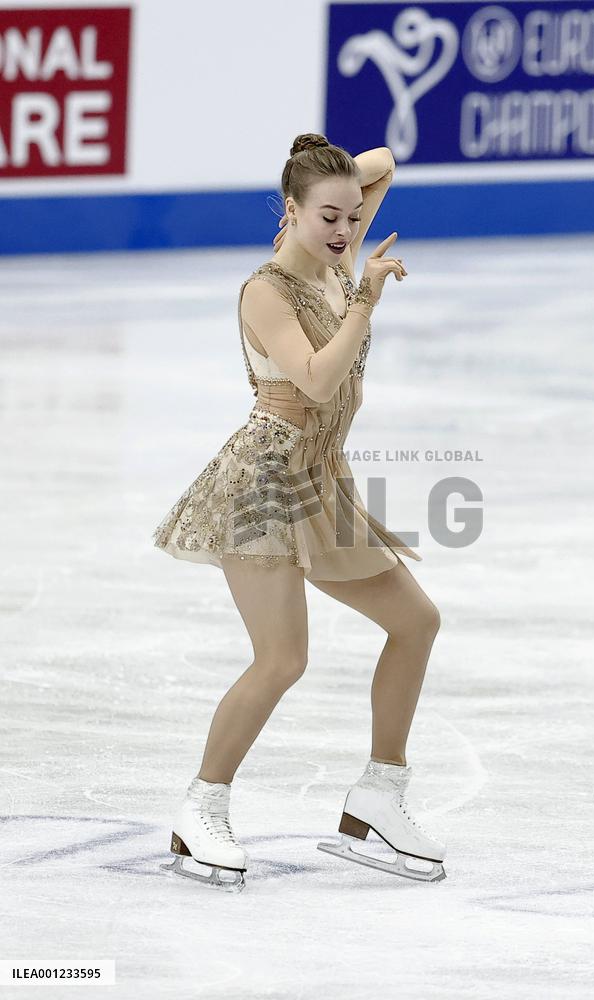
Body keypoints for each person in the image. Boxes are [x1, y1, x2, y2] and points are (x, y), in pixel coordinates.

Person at [153, 134, 447, 889]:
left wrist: (336, 176)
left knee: (415, 623)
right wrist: (365, 296)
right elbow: (316, 382)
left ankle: (380, 793)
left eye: (352, 217)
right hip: (263, 484)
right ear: (290, 213)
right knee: (283, 658)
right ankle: (202, 806)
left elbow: (380, 161)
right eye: (327, 218)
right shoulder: (268, 291)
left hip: (323, 479)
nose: (345, 231)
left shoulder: (333, 255)